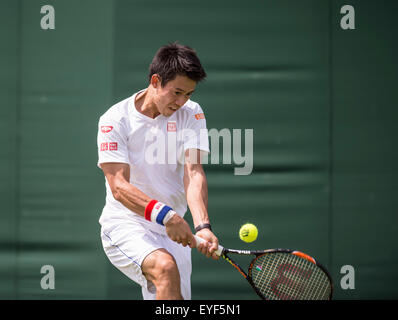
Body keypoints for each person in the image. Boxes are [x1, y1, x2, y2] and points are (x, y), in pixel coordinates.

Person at [97, 42, 218, 300]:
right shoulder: (114, 120)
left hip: (173, 231)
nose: (182, 101)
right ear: (155, 81)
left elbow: (193, 172)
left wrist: (202, 225)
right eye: (176, 92)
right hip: (126, 224)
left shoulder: (192, 114)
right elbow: (118, 186)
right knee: (165, 268)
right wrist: (168, 216)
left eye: (188, 94)